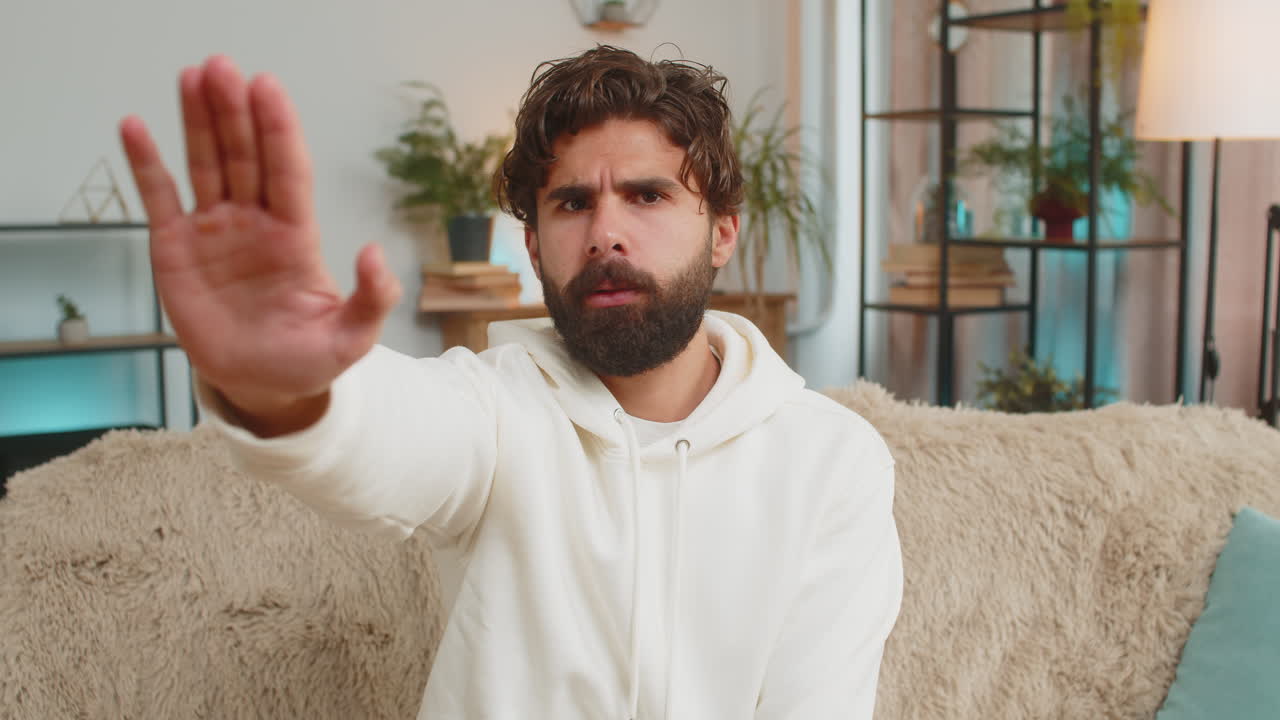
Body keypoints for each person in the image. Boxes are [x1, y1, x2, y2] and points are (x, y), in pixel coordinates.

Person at [118, 45, 902, 720]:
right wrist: (281, 388)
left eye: (649, 195)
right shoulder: (493, 412)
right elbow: (379, 434)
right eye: (572, 203)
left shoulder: (831, 460)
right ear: (532, 245)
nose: (605, 234)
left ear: (723, 230)